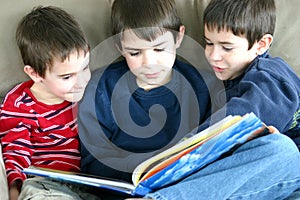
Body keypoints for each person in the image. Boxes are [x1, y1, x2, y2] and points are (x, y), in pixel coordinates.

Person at [78, 0, 300, 199]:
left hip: (211, 178)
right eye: (135, 53)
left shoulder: (214, 85)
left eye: (159, 49)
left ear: (178, 37)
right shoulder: (100, 87)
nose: (150, 62)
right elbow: (94, 163)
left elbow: (243, 115)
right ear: (120, 47)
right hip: (143, 185)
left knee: (283, 150)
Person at [0, 6, 99, 200]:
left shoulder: (88, 94)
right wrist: (14, 190)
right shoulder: (19, 105)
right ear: (35, 74)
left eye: (85, 68)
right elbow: (15, 151)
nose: (81, 82)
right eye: (67, 76)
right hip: (43, 185)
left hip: (84, 185)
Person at [198, 0, 300, 149]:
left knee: (279, 145)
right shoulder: (223, 80)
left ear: (261, 44)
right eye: (209, 43)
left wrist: (185, 148)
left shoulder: (271, 79)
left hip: (291, 160)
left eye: (227, 48)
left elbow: (237, 121)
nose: (213, 55)